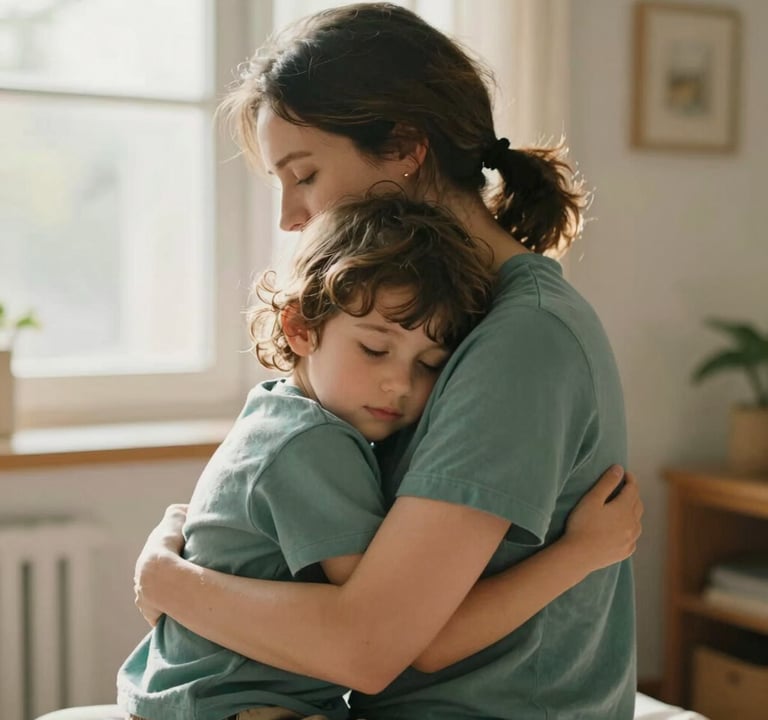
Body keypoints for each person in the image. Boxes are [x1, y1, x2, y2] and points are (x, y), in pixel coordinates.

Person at [40, 3, 642, 719]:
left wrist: (166, 582)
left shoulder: (522, 341)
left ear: (405, 148)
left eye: (304, 174)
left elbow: (372, 645)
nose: (291, 217)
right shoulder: (445, 323)